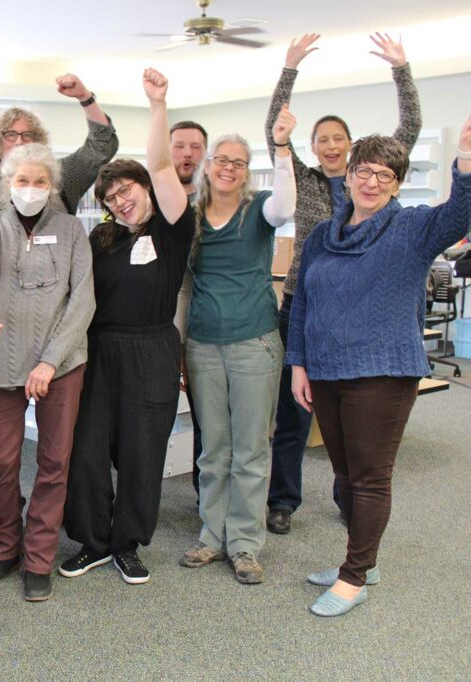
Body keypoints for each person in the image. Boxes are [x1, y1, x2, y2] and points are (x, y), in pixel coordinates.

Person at [288, 121, 471, 616]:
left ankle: (354, 577)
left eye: (385, 176)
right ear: (348, 176)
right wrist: (298, 363)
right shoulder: (326, 234)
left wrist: (467, 161)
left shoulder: (410, 228)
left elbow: (459, 214)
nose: (372, 182)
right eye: (364, 171)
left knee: (369, 478)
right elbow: (303, 300)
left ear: (397, 183)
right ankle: (360, 560)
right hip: (325, 370)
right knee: (344, 477)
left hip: (382, 371)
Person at [264, 32, 422, 535]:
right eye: (322, 139)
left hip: (364, 314)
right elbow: (275, 131)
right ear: (313, 148)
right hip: (304, 307)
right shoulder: (306, 181)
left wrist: (401, 68)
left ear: (352, 150)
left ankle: (348, 494)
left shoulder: (371, 179)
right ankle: (283, 499)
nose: (330, 146)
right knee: (293, 413)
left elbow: (411, 126)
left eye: (338, 139)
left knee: (351, 421)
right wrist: (289, 68)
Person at [61, 69, 192, 585]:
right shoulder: (101, 238)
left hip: (152, 349)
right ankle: (91, 542)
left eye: (126, 189)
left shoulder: (175, 226)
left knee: (142, 452)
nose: (119, 200)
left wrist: (158, 104)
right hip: (99, 351)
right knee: (88, 449)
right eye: (110, 196)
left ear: (145, 187)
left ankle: (127, 544)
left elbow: (162, 163)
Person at [0, 143, 95, 602]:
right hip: (2, 360)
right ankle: (6, 547)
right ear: (7, 183)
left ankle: (38, 557)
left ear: (53, 187)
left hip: (61, 363)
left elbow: (83, 300)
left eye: (41, 182)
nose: (32, 189)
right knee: (0, 462)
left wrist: (49, 361)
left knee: (54, 462)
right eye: (22, 181)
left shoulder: (72, 230)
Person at [179, 107, 297, 585]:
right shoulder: (190, 218)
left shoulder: (260, 208)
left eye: (239, 162)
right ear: (207, 165)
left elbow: (287, 209)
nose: (228, 168)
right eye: (221, 160)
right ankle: (212, 535)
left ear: (248, 171)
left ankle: (244, 544)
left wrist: (284, 150)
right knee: (214, 450)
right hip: (203, 345)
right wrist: (180, 346)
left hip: (254, 345)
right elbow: (184, 287)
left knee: (250, 450)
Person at [0, 77, 118, 216]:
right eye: (10, 134)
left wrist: (85, 97)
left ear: (38, 140)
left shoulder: (63, 174)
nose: (19, 141)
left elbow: (102, 146)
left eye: (27, 135)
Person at [168, 119, 209, 503]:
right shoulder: (157, 201)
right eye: (179, 146)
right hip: (167, 322)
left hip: (213, 322)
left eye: (196, 147)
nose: (187, 154)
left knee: (208, 420)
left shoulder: (217, 201)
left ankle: (206, 494)